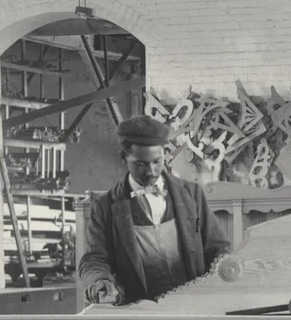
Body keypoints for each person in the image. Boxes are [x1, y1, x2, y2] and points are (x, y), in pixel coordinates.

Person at [80, 116, 231, 305]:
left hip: (193, 305)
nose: (151, 171)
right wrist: (100, 281)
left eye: (157, 162)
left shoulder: (192, 194)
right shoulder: (104, 206)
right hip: (140, 309)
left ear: (165, 154)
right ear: (123, 158)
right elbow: (94, 259)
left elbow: (217, 246)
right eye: (140, 164)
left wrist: (226, 267)